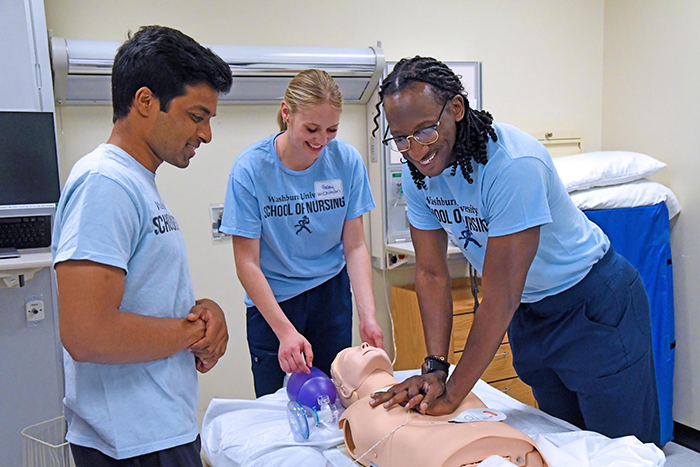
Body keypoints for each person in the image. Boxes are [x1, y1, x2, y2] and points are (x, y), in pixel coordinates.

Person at [369, 56, 661, 445]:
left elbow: (500, 295)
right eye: (400, 138)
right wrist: (436, 368)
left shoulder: (511, 165)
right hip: (532, 313)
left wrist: (453, 393)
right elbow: (431, 273)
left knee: (621, 452)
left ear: (455, 109)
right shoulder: (418, 173)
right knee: (564, 444)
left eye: (424, 131)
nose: (414, 150)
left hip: (593, 307)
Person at [52, 25, 233, 466]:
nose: (206, 134)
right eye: (196, 116)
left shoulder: (136, 183)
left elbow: (140, 300)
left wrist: (200, 313)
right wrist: (191, 332)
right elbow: (87, 333)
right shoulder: (104, 183)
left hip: (159, 429)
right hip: (131, 444)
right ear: (146, 102)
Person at [220, 69, 384, 398]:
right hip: (275, 300)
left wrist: (368, 316)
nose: (321, 140)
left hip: (331, 294)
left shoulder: (346, 161)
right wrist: (284, 331)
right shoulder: (251, 170)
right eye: (311, 128)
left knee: (336, 397)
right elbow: (247, 263)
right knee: (278, 403)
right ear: (286, 113)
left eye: (331, 130)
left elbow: (354, 246)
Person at [331, 344, 545, 467]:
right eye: (353, 352)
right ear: (344, 389)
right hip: (507, 453)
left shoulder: (446, 388)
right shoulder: (359, 414)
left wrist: (437, 376)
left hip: (517, 448)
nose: (365, 345)